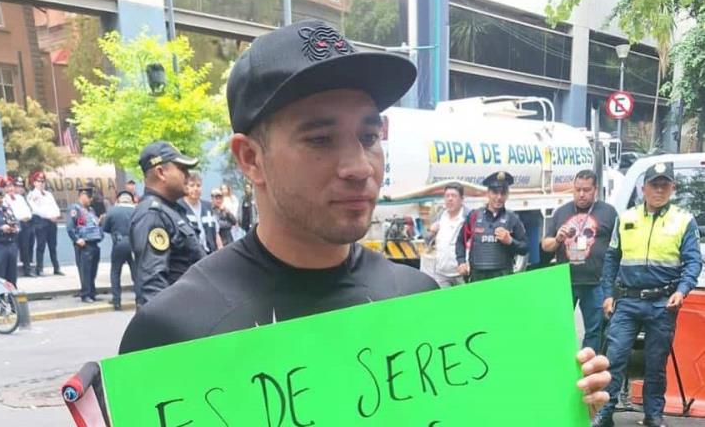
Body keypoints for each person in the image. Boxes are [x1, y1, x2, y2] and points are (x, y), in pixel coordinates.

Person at [117, 22, 609, 414]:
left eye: (369, 137)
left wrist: (548, 402)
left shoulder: (420, 304)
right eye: (319, 139)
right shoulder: (172, 332)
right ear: (250, 159)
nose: (358, 166)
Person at [593, 162, 702, 427]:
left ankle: (653, 415)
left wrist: (682, 290)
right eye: (654, 184)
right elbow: (611, 259)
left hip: (663, 304)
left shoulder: (684, 220)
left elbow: (693, 262)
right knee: (614, 359)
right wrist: (608, 294)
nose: (659, 190)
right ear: (644, 188)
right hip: (627, 301)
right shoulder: (627, 217)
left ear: (672, 188)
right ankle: (605, 413)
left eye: (665, 185)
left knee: (655, 363)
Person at [541, 170, 617, 353]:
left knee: (594, 330)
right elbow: (545, 245)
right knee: (559, 327)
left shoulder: (608, 212)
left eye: (586, 190)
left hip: (596, 283)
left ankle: (587, 372)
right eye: (577, 190)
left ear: (595, 190)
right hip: (565, 281)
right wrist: (558, 239)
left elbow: (617, 247)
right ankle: (561, 367)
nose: (581, 194)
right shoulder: (561, 212)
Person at [128, 141, 206, 305]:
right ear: (161, 172)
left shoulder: (171, 210)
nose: (188, 175)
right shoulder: (152, 214)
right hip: (179, 319)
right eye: (181, 169)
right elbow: (152, 286)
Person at [455, 171, 528, 281]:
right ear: (488, 193)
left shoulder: (512, 218)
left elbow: (525, 248)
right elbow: (460, 241)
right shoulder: (474, 216)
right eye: (495, 192)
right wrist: (461, 262)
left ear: (507, 195)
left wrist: (510, 241)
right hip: (478, 275)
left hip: (502, 275)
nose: (499, 197)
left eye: (503, 193)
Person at [67, 187, 104, 303]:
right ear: (82, 195)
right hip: (84, 245)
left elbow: (91, 224)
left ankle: (92, 293)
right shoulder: (75, 209)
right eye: (89, 197)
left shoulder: (90, 210)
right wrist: (76, 239)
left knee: (93, 271)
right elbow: (70, 227)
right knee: (85, 271)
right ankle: (85, 294)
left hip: (94, 243)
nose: (91, 199)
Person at [428, 183, 469, 288]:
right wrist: (431, 232)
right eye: (447, 196)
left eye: (454, 196)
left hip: (462, 273)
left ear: (462, 199)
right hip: (441, 274)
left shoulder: (468, 217)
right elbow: (427, 241)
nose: (450, 199)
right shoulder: (440, 216)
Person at [102, 191, 136, 310]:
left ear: (119, 200)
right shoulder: (137, 210)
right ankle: (139, 298)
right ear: (131, 200)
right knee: (136, 273)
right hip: (134, 244)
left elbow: (105, 228)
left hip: (118, 243)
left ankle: (116, 301)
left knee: (115, 272)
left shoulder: (112, 210)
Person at [27, 171, 64, 276]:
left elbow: (55, 206)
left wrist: (56, 215)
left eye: (43, 181)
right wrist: (49, 217)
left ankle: (56, 267)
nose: (41, 183)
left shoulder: (48, 194)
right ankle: (40, 269)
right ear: (34, 182)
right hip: (41, 223)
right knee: (41, 246)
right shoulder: (32, 195)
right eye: (39, 181)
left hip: (52, 222)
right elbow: (36, 210)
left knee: (53, 246)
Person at [179, 174, 221, 255]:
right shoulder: (179, 207)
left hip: (210, 253)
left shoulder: (208, 206)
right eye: (192, 185)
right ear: (185, 187)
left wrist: (221, 251)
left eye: (198, 185)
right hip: (190, 256)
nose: (195, 189)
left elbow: (216, 233)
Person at [3, 177, 35, 277]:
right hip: (14, 225)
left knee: (25, 247)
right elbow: (12, 213)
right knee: (13, 248)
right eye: (8, 187)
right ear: (5, 189)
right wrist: (21, 217)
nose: (11, 189)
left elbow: (27, 209)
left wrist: (27, 216)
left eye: (12, 186)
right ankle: (12, 271)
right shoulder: (4, 200)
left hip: (25, 224)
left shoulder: (20, 198)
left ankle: (27, 270)